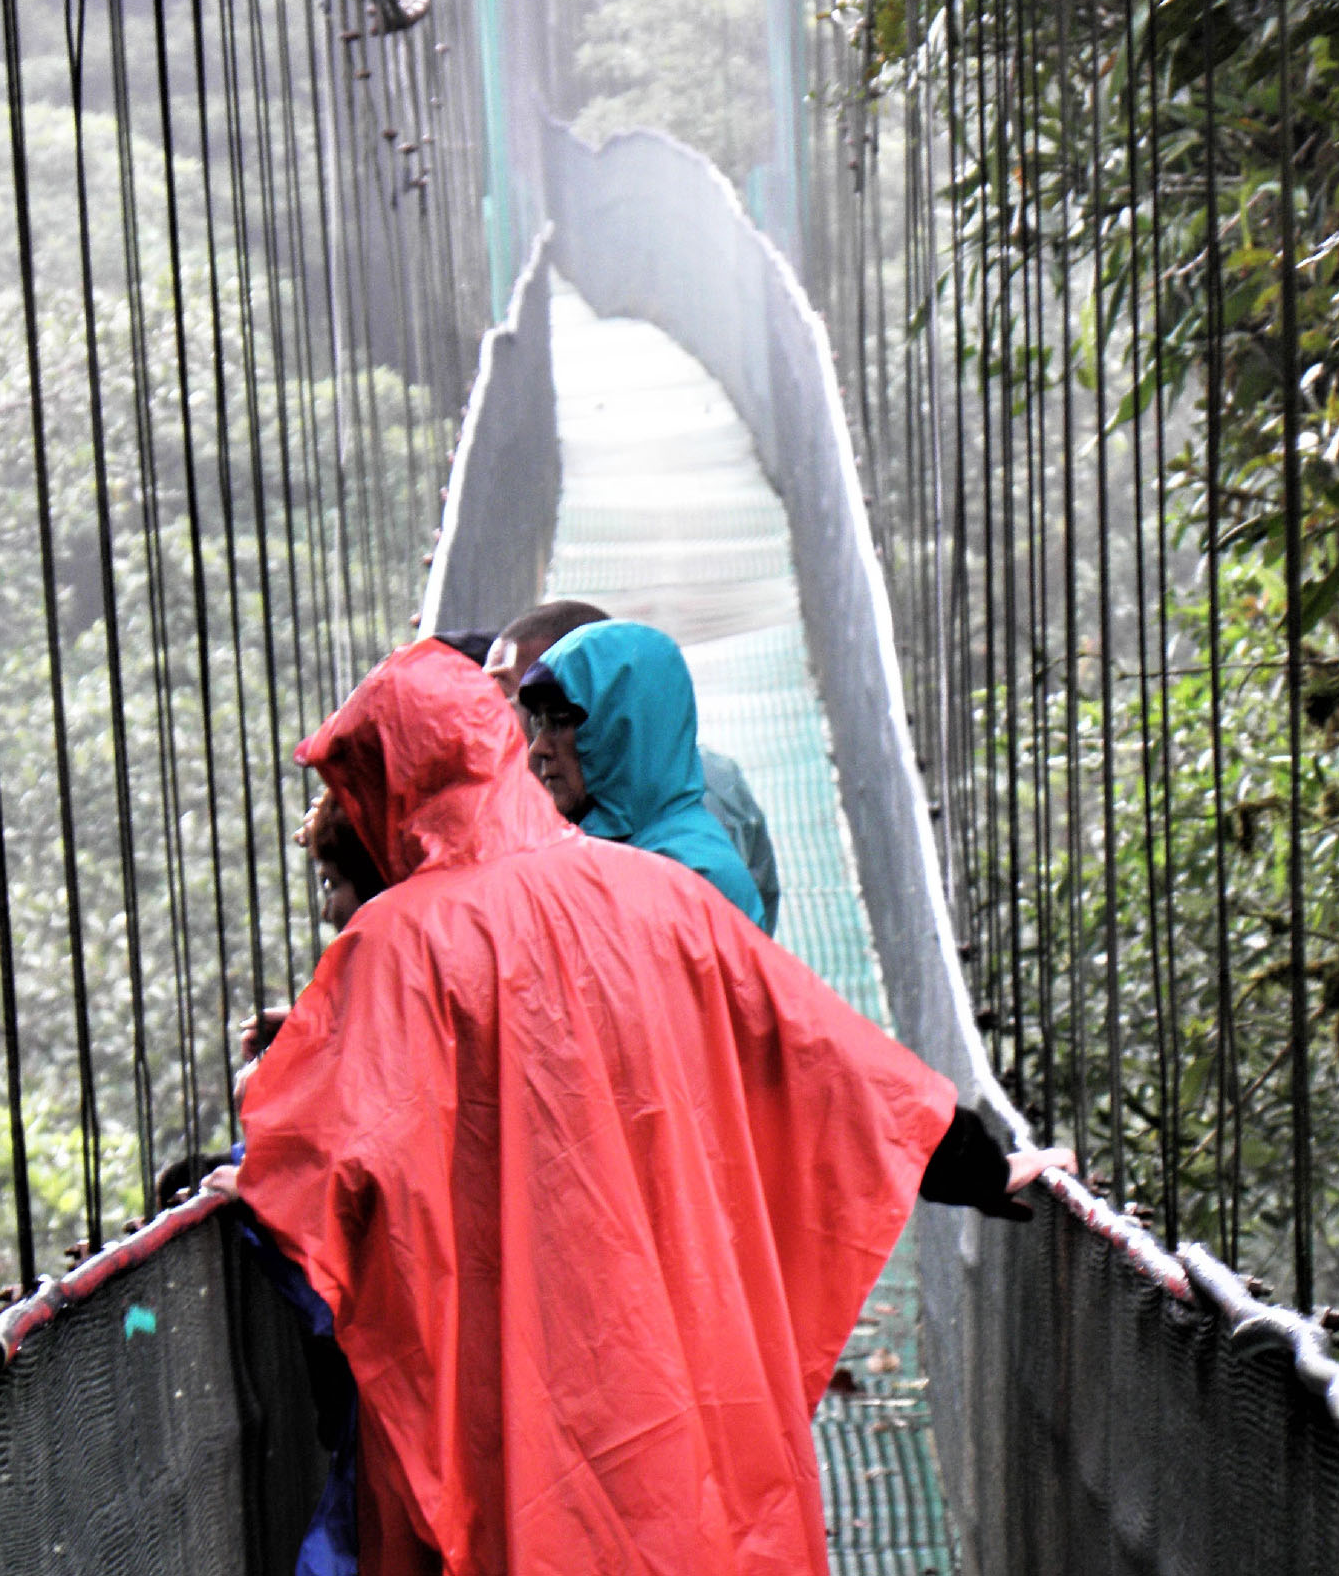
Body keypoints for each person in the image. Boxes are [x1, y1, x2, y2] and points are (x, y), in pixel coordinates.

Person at [229, 639, 1070, 1576]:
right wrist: (978, 1163)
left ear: (393, 783)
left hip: (517, 1396)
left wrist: (248, 1129)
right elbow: (827, 1058)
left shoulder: (392, 947)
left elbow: (313, 1170)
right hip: (674, 1363)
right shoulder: (660, 892)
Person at [486, 601, 782, 933]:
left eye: (558, 723)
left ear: (616, 730)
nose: (539, 747)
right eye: (538, 723)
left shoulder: (691, 876)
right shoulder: (604, 848)